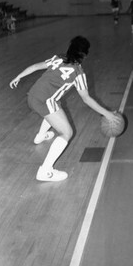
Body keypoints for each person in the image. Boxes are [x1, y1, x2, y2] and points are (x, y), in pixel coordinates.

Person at [9, 36, 118, 182]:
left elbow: (35, 67)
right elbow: (86, 99)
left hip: (32, 95)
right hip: (44, 101)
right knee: (67, 132)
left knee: (56, 108)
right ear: (84, 55)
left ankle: (40, 136)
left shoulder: (57, 58)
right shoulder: (78, 73)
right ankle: (45, 171)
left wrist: (18, 76)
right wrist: (108, 114)